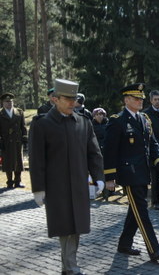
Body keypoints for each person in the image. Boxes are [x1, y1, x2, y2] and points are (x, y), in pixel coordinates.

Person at [29, 78, 104, 275]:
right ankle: (71, 267)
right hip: (57, 187)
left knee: (76, 226)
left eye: (74, 98)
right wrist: (38, 188)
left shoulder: (83, 122)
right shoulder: (42, 124)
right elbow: (37, 159)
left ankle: (69, 267)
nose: (73, 102)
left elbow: (93, 153)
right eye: (67, 98)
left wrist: (99, 177)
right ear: (55, 99)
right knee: (65, 227)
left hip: (78, 184)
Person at [104, 83, 159, 263]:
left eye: (141, 98)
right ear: (126, 100)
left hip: (143, 172)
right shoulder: (117, 121)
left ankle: (124, 243)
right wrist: (110, 177)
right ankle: (154, 249)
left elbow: (153, 144)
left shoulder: (144, 119)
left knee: (135, 210)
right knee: (141, 211)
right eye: (136, 98)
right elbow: (109, 151)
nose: (140, 101)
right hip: (129, 175)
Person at [0, 93, 27, 189]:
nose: (9, 103)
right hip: (6, 141)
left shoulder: (19, 112)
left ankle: (18, 181)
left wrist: (24, 137)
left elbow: (23, 126)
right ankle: (9, 182)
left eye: (11, 101)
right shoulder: (1, 114)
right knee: (8, 162)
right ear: (2, 103)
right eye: (7, 102)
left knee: (18, 161)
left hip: (17, 141)